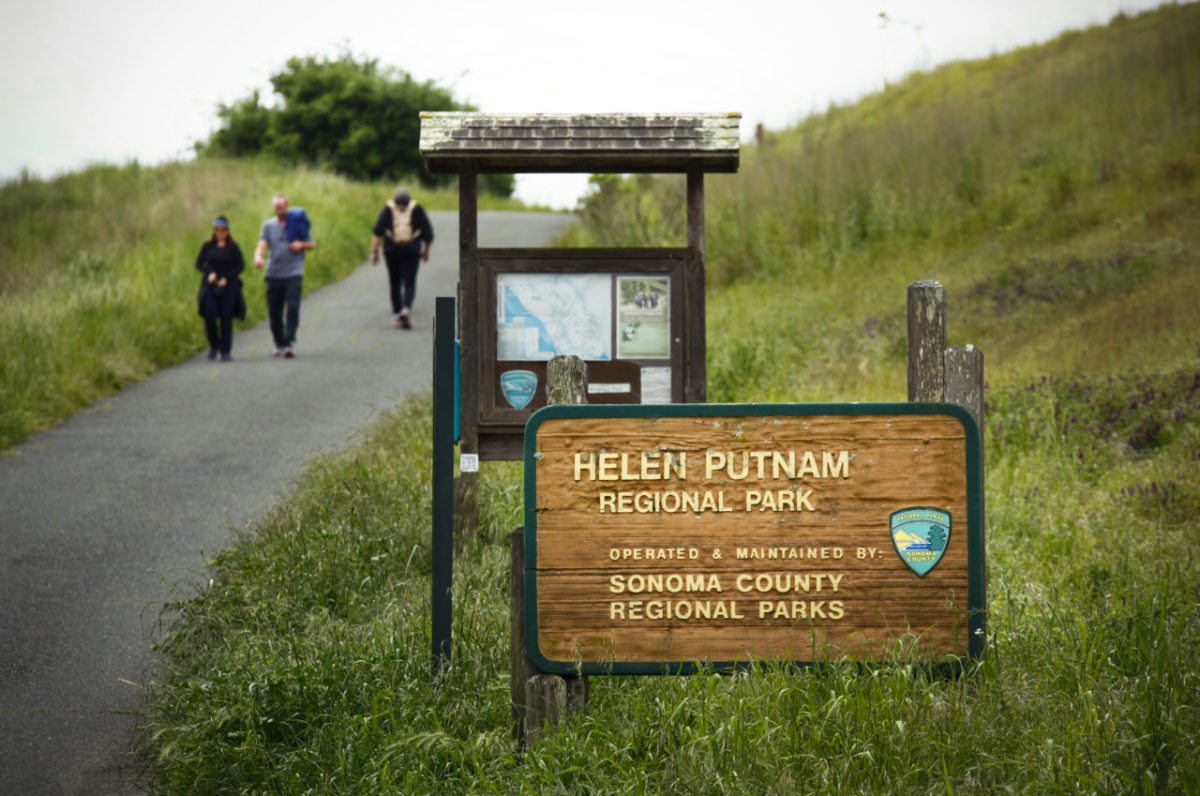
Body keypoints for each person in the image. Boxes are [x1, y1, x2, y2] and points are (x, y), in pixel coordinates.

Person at [254, 194, 314, 357]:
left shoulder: (297, 222)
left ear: (287, 206)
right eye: (276, 208)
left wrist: (301, 244)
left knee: (293, 306)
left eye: (281, 207)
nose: (279, 210)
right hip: (273, 273)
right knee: (274, 311)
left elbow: (311, 244)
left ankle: (289, 342)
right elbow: (262, 244)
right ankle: (279, 342)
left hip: (294, 272)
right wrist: (259, 257)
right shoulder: (268, 225)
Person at [370, 188, 434, 329]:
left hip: (391, 250)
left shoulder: (387, 209)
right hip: (412, 250)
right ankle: (406, 308)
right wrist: (426, 251)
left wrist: (374, 252)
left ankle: (398, 314)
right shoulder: (417, 209)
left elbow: (377, 232)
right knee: (410, 281)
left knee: (394, 282)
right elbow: (428, 234)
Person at [195, 216, 245, 361]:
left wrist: (227, 279)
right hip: (211, 284)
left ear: (227, 231)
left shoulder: (233, 247)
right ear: (214, 231)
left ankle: (225, 349)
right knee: (209, 315)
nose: (220, 233)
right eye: (217, 230)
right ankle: (213, 346)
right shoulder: (207, 246)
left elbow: (240, 266)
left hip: (228, 286)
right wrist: (209, 273)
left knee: (226, 317)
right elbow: (199, 264)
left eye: (223, 230)